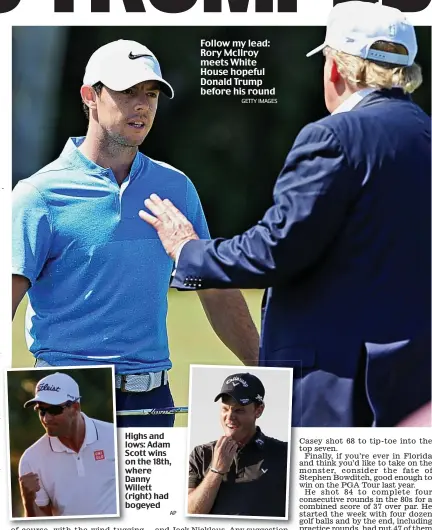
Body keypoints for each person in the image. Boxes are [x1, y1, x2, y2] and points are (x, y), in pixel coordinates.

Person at [140, 2, 431, 427]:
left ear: (336, 69)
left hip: (338, 388)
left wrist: (189, 251)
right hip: (414, 384)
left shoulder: (333, 137)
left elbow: (277, 248)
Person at [12, 39, 259, 427]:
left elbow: (214, 288)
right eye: (127, 92)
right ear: (89, 96)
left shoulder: (176, 188)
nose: (142, 104)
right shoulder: (38, 195)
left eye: (151, 93)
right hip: (70, 396)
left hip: (153, 400)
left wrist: (265, 368)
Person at [18, 372, 117, 518]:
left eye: (54, 410)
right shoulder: (31, 459)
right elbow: (41, 521)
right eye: (41, 411)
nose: (46, 418)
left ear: (75, 407)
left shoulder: (115, 436)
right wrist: (28, 501)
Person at [188, 372, 288, 517]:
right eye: (225, 409)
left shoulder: (284, 454)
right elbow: (190, 513)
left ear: (258, 410)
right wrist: (216, 470)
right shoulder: (201, 454)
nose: (229, 417)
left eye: (238, 410)